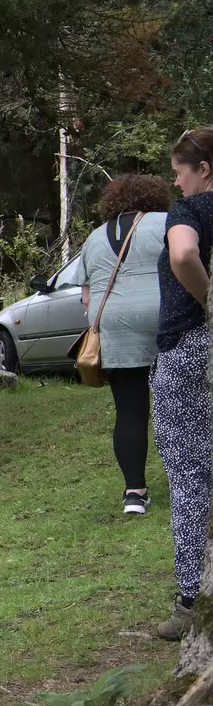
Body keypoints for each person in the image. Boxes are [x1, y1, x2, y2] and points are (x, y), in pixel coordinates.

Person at [77, 175, 173, 515]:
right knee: (179, 402)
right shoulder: (167, 222)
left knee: (130, 410)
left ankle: (134, 493)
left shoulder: (94, 236)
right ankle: (187, 478)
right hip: (165, 316)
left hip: (114, 324)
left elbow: (86, 293)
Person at [151, 126, 213, 641]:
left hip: (189, 346)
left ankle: (191, 597)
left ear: (204, 170)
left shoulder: (189, 211)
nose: (178, 182)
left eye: (180, 172)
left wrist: (208, 302)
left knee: (188, 469)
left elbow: (183, 255)